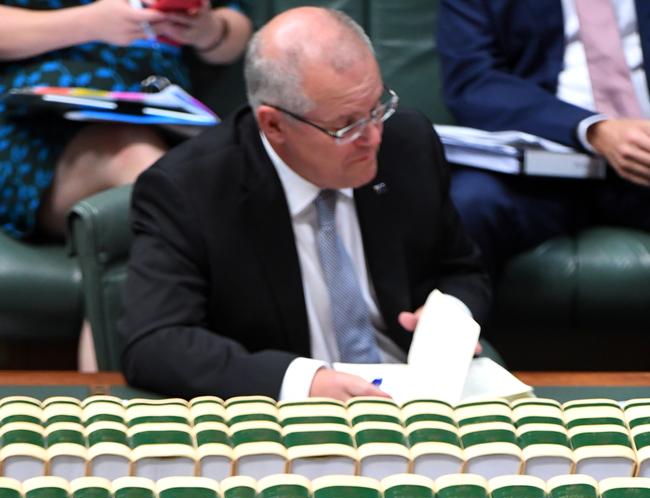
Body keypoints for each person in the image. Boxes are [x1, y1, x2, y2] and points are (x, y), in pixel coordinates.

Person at [119, 6, 491, 402]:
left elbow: (460, 268)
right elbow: (155, 341)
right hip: (285, 419)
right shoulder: (190, 190)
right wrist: (301, 382)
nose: (374, 137)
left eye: (377, 108)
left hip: (413, 396)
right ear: (274, 125)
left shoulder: (407, 143)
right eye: (346, 125)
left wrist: (451, 315)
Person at [0, 0, 252, 240]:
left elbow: (235, 26)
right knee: (149, 166)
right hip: (34, 118)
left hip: (164, 111)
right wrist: (86, 24)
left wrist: (207, 30)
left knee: (219, 180)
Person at [437, 0, 650, 277]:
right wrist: (593, 129)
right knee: (469, 203)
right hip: (542, 163)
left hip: (645, 155)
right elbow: (472, 82)